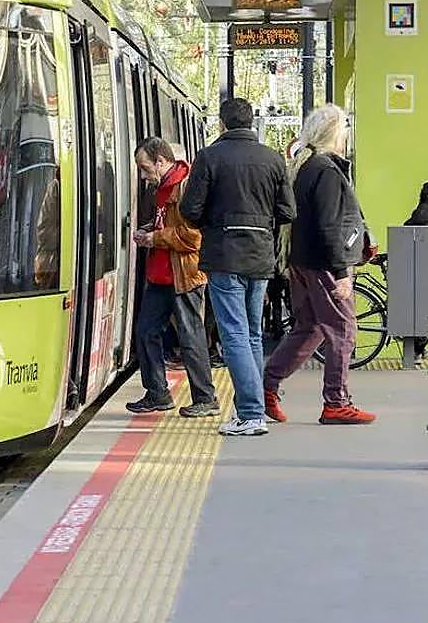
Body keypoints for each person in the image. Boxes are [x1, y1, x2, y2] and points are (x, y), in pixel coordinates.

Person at [180, 99, 295, 436]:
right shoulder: (273, 158)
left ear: (223, 123)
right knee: (252, 334)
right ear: (251, 122)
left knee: (233, 335)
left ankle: (250, 413)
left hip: (224, 254)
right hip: (260, 257)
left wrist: (216, 221)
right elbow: (288, 211)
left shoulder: (210, 157)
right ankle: (255, 406)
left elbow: (190, 209)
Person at [263, 104, 376, 425]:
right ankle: (336, 402)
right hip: (324, 264)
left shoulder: (305, 168)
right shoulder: (326, 171)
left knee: (310, 328)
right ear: (336, 134)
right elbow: (329, 226)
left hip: (301, 262)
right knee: (343, 329)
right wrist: (341, 273)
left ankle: (267, 385)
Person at [127, 137, 219, 418]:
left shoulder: (185, 187)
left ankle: (205, 398)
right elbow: (168, 225)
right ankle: (157, 392)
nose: (143, 176)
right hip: (162, 274)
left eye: (145, 168)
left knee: (191, 337)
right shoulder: (163, 189)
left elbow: (194, 237)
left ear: (160, 161)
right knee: (145, 331)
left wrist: (155, 237)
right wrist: (149, 231)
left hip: (184, 275)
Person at [404, 180, 428, 358]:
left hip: (415, 265)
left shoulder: (419, 213)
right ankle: (418, 347)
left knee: (417, 307)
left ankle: (415, 350)